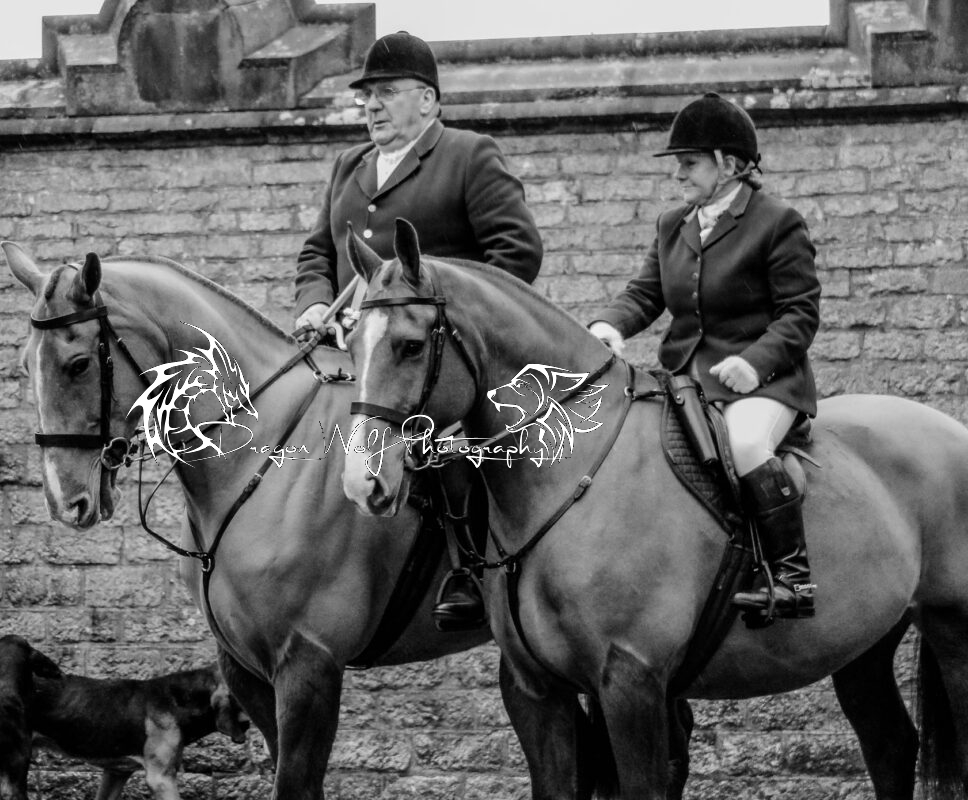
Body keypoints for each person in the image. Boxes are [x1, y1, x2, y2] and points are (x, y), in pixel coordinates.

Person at [294, 31, 543, 630]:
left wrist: (454, 321)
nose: (372, 106)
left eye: (387, 93)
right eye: (367, 96)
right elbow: (317, 252)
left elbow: (517, 253)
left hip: (439, 354)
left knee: (447, 437)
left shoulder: (468, 154)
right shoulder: (349, 166)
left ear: (427, 99)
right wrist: (314, 304)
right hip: (360, 350)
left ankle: (468, 566)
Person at [588, 92, 821, 620]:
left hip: (765, 382)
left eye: (690, 163)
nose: (679, 175)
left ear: (729, 165)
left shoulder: (778, 221)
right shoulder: (674, 223)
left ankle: (793, 576)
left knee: (745, 443)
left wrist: (755, 362)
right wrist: (608, 325)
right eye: (679, 164)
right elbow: (645, 293)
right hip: (684, 380)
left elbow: (800, 313)